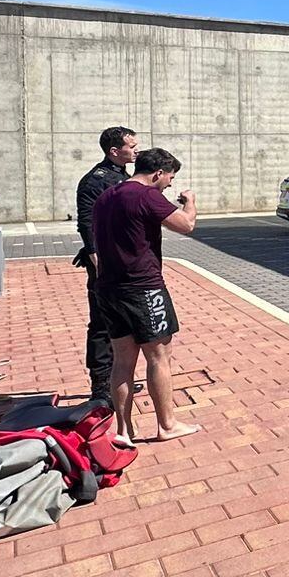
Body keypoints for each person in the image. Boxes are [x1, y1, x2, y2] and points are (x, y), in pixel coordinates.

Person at [91, 147, 201, 444]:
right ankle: (167, 425)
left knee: (122, 360)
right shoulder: (147, 195)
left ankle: (124, 431)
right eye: (169, 178)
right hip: (144, 287)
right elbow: (186, 225)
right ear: (158, 173)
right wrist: (189, 203)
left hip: (109, 288)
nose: (169, 185)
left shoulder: (107, 196)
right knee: (159, 355)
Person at [73, 126, 136, 403]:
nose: (136, 150)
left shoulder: (123, 176)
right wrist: (96, 258)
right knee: (101, 323)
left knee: (124, 322)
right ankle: (100, 386)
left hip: (123, 260)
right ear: (114, 151)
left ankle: (119, 380)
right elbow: (87, 223)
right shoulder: (94, 181)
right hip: (104, 262)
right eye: (131, 146)